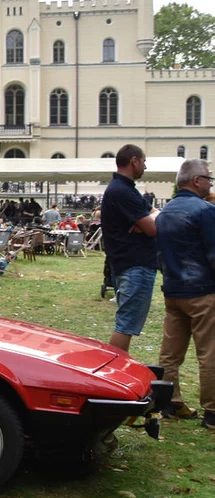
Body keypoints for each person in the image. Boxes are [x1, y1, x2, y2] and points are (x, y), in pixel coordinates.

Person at [154, 159, 215, 426]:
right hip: (201, 290)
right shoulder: (205, 211)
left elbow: (159, 254)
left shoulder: (164, 212)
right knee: (209, 352)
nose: (210, 183)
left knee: (170, 353)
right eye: (209, 179)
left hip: (173, 290)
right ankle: (212, 412)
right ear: (196, 180)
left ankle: (169, 402)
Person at [101, 144, 159, 352]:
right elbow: (153, 228)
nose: (145, 166)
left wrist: (148, 219)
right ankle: (114, 374)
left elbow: (153, 213)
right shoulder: (122, 191)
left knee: (126, 323)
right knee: (126, 325)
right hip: (135, 264)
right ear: (134, 160)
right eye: (144, 161)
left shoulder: (124, 189)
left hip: (127, 264)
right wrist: (149, 220)